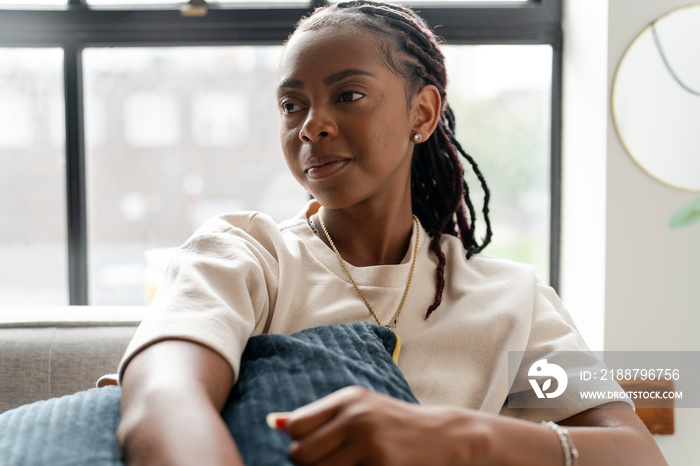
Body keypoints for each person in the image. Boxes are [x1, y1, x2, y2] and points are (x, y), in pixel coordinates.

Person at [116, 2, 667, 465]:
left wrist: (455, 437)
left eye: (348, 95)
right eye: (291, 105)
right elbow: (162, 400)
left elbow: (634, 450)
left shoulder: (512, 303)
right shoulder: (248, 257)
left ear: (422, 113)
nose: (311, 125)